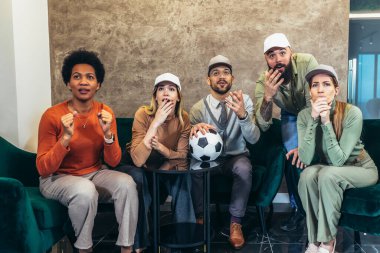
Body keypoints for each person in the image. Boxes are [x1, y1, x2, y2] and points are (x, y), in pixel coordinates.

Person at [36, 49, 138, 253]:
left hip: (93, 173)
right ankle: (84, 249)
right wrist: (65, 137)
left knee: (127, 184)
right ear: (68, 83)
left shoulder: (105, 112)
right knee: (84, 190)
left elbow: (115, 161)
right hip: (56, 179)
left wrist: (108, 134)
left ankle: (127, 247)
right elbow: (43, 168)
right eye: (77, 77)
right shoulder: (52, 115)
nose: (83, 82)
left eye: (90, 77)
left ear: (98, 84)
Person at [297, 64, 378, 253]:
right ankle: (313, 241)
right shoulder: (303, 116)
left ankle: (327, 241)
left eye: (326, 84)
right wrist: (313, 119)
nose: (320, 89)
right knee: (308, 175)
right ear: (310, 91)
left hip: (362, 169)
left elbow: (338, 161)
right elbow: (306, 158)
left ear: (336, 89)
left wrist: (325, 122)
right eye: (315, 85)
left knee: (328, 174)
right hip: (329, 167)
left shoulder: (352, 113)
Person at [117, 73, 195, 252]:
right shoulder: (143, 114)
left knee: (183, 178)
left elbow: (182, 156)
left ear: (178, 96)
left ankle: (184, 240)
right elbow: (137, 160)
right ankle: (140, 243)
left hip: (162, 166)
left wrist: (160, 148)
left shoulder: (183, 118)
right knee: (138, 178)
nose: (166, 93)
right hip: (136, 165)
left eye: (171, 89)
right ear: (155, 96)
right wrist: (155, 123)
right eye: (161, 89)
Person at [190, 55, 260, 249]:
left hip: (235, 157)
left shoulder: (243, 101)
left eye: (226, 73)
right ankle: (201, 218)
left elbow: (254, 139)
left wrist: (243, 115)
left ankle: (235, 223)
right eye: (216, 73)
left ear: (233, 79)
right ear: (208, 80)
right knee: (193, 169)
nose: (221, 76)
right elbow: (190, 143)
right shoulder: (198, 108)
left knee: (244, 169)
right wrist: (193, 131)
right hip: (208, 161)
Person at [255, 33, 318, 231]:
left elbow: (314, 105)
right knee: (292, 160)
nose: (278, 59)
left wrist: (304, 145)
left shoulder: (307, 62)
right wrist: (267, 98)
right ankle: (298, 210)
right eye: (271, 55)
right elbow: (262, 124)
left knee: (310, 157)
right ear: (266, 59)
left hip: (314, 113)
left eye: (282, 52)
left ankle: (319, 210)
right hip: (290, 115)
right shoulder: (263, 80)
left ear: (291, 52)